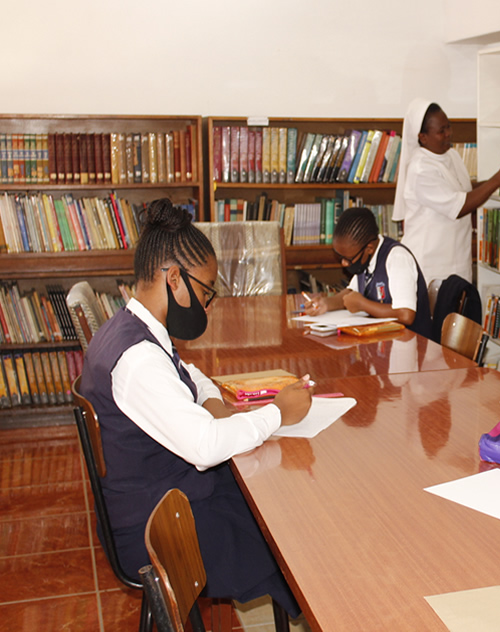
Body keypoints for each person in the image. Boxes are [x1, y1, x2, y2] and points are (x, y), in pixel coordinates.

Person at [79, 198, 309, 618]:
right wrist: (279, 412)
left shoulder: (133, 328)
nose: (207, 306)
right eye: (206, 292)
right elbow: (204, 447)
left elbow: (187, 371)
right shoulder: (138, 360)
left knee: (274, 501)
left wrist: (213, 401)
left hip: (162, 498)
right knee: (290, 536)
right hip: (158, 528)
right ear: (173, 279)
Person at [392, 98, 500, 287]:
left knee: (456, 315)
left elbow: (464, 189)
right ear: (422, 137)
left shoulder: (451, 155)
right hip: (430, 263)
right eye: (441, 131)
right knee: (436, 316)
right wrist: (498, 179)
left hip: (457, 259)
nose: (448, 134)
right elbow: (460, 206)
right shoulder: (421, 168)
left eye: (449, 127)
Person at [306, 206, 432, 338]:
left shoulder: (397, 258)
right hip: (382, 340)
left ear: (369, 249)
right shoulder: (364, 259)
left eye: (348, 259)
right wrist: (326, 304)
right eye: (340, 257)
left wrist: (362, 304)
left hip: (411, 343)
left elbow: (406, 315)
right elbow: (350, 294)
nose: (343, 263)